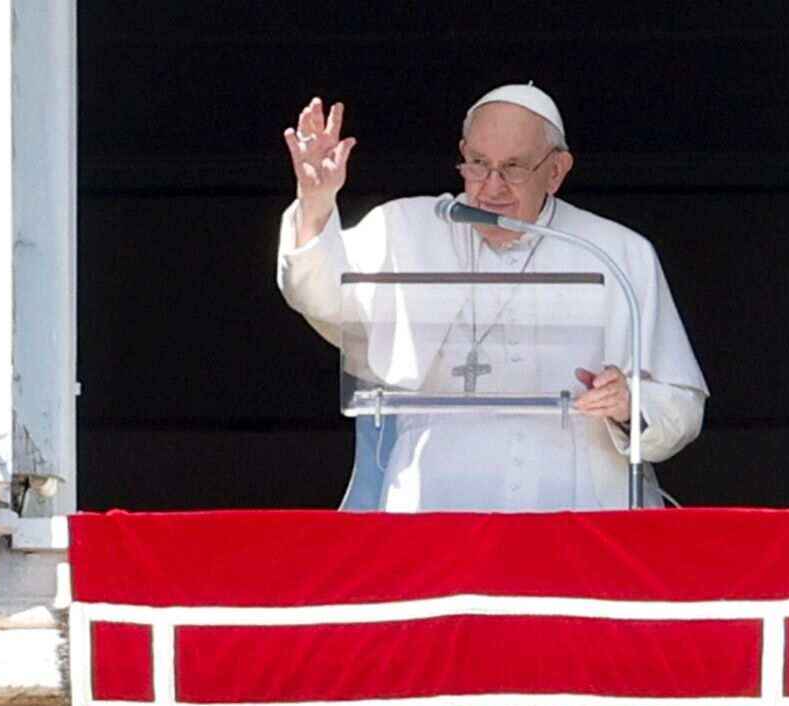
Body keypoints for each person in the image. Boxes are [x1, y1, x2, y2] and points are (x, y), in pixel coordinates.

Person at [277, 83, 707, 511]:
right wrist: (315, 203)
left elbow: (681, 407)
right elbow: (321, 295)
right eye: (478, 165)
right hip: (436, 514)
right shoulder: (407, 228)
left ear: (556, 171)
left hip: (580, 518)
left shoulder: (616, 252)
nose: (491, 187)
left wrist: (630, 404)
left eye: (514, 168)